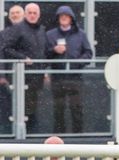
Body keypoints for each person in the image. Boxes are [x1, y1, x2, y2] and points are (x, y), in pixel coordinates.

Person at [45, 5, 92, 134]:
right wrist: (54, 50)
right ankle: (59, 137)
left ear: (71, 18)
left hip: (75, 78)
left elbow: (88, 53)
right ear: (58, 18)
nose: (64, 18)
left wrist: (77, 62)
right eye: (61, 16)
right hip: (57, 77)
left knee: (77, 108)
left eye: (66, 16)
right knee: (58, 110)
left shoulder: (80, 34)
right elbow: (44, 55)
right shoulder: (50, 35)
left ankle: (78, 138)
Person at [3, 3, 45, 131]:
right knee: (18, 107)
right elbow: (6, 49)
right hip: (19, 77)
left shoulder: (41, 30)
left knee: (32, 107)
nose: (32, 15)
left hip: (36, 76)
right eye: (29, 13)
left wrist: (45, 70)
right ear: (25, 14)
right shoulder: (16, 30)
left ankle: (31, 134)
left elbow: (43, 52)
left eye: (35, 13)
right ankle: (20, 135)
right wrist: (23, 58)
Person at [0, 5, 25, 131]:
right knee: (8, 106)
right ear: (9, 17)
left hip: (30, 76)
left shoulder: (35, 31)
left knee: (29, 107)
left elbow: (40, 53)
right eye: (12, 13)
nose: (15, 15)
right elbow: (1, 53)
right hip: (10, 75)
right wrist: (2, 75)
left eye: (17, 13)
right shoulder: (4, 34)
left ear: (23, 15)